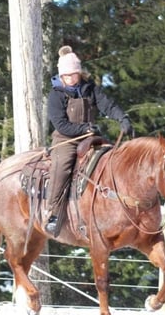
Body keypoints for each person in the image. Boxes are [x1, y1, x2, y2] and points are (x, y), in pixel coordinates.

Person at [45, 45, 133, 237]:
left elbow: (108, 105)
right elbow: (61, 125)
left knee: (111, 159)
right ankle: (53, 213)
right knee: (63, 168)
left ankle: (116, 207)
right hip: (66, 139)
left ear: (79, 72)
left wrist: (122, 118)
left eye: (74, 75)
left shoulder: (90, 88)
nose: (71, 79)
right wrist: (83, 128)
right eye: (67, 76)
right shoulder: (56, 95)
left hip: (90, 137)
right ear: (61, 76)